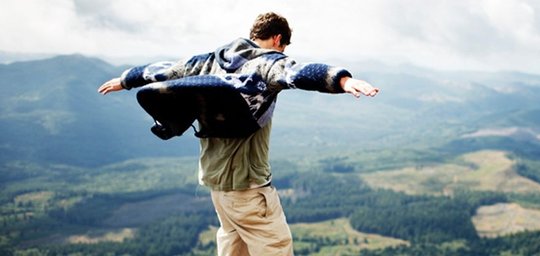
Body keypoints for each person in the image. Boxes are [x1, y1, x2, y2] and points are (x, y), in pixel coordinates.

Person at [97, 12, 379, 256]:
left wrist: (125, 80)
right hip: (248, 189)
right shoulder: (267, 62)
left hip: (217, 186)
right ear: (279, 39)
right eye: (284, 47)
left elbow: (163, 70)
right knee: (276, 247)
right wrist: (343, 80)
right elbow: (299, 72)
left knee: (233, 245)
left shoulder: (211, 61)